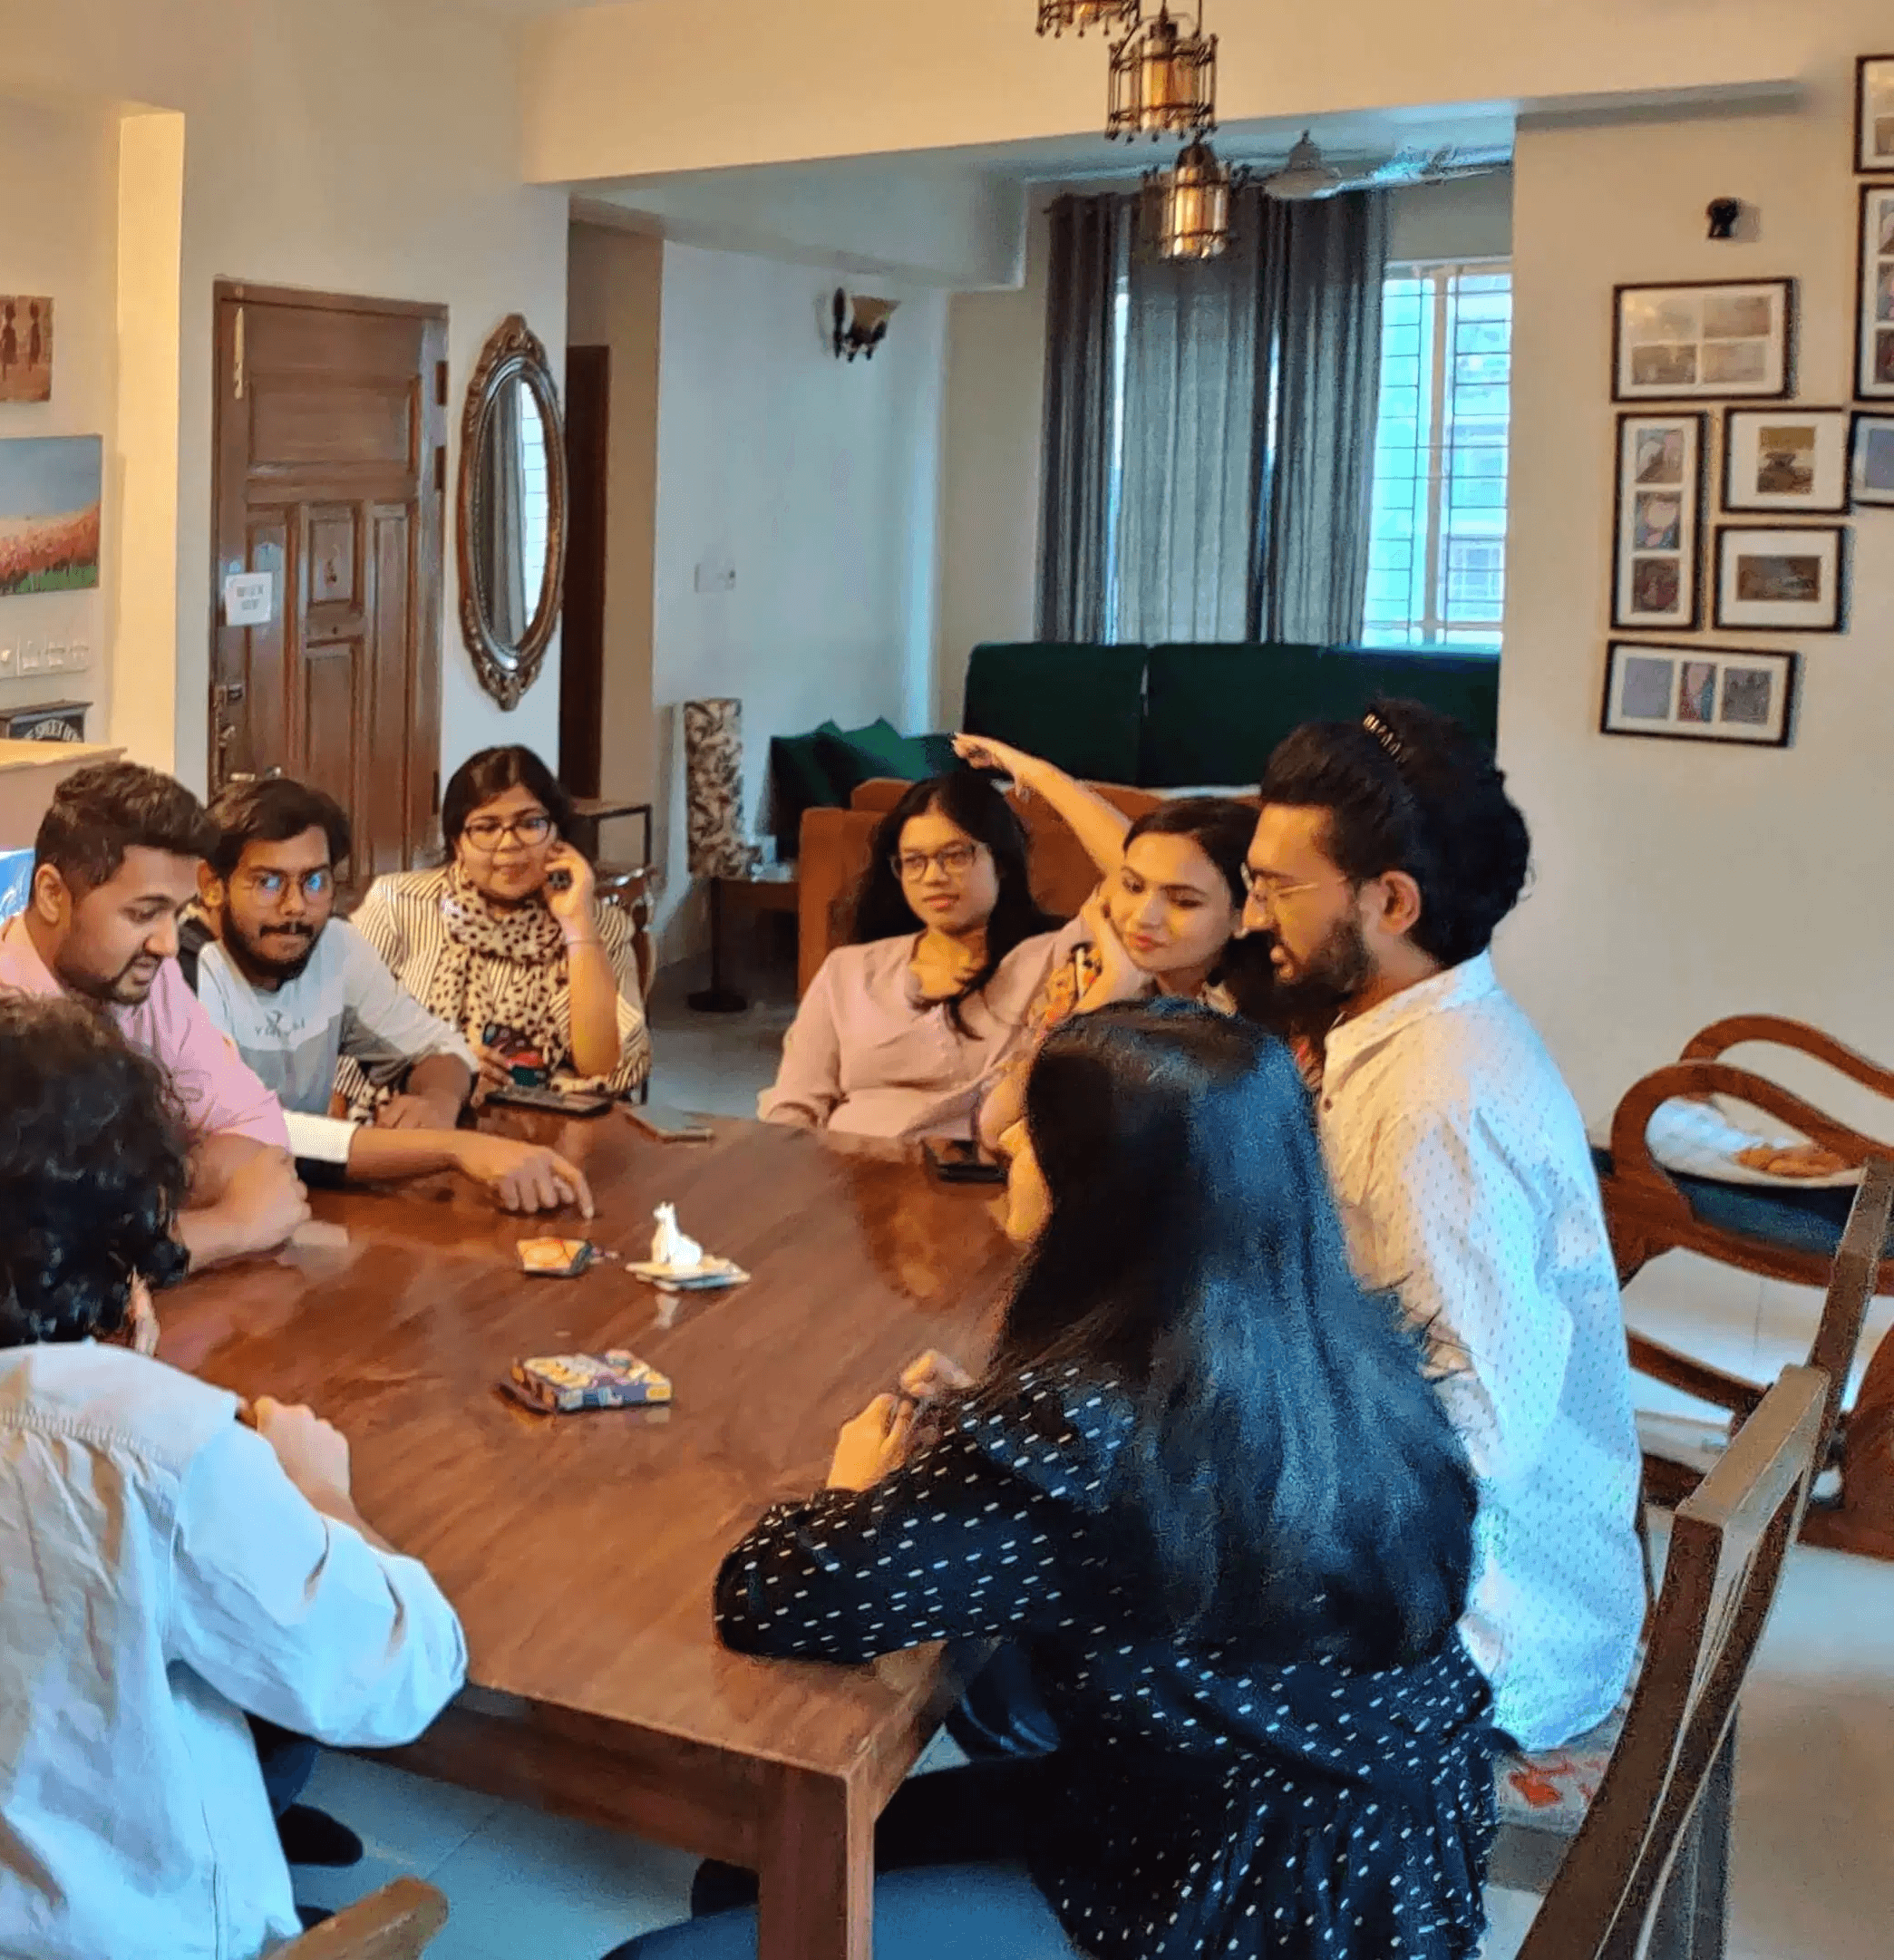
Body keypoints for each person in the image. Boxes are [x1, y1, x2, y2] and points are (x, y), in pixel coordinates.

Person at [609, 1004, 1494, 1960]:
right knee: (759, 1865)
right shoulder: (1341, 1351)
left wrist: (856, 1491)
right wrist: (989, 1441)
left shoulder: (1082, 1434)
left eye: (1039, 1128)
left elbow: (780, 1596)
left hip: (1231, 1898)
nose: (1009, 1143)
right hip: (1382, 1855)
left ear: (1106, 1187)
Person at [0, 993, 470, 1960]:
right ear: (121, 1237)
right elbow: (398, 1677)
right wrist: (325, 1492)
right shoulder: (159, 1445)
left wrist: (104, 1373)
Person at [1247, 700, 1643, 1752]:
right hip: (1475, 1575)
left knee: (1089, 1617)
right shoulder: (1423, 1032)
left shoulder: (1436, 1106)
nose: (1252, 917)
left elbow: (1473, 1434)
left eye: (1277, 887)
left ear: (1391, 900)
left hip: (1490, 1635)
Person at [0, 760, 309, 1272]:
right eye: (143, 913)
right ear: (53, 894)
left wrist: (128, 1210)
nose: (167, 944)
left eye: (177, 914)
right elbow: (23, 1266)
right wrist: (229, 1227)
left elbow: (260, 1135)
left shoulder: (143, 978)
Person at [190, 775, 593, 1215]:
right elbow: (247, 1130)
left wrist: (437, 1102)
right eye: (268, 883)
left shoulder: (334, 947)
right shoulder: (181, 969)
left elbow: (441, 1047)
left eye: (315, 882)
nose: (295, 907)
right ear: (212, 885)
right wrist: (449, 1148)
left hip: (289, 1208)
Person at [947, 733, 1284, 1150]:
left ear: (1244, 915)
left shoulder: (1265, 1013)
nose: (1144, 917)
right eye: (1132, 886)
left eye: (1183, 901)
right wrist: (1109, 991)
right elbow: (996, 1126)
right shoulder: (1091, 973)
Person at [760, 770, 1075, 1140]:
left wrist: (1032, 769)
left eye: (956, 855)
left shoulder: (1049, 961)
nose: (934, 877)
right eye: (914, 861)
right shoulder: (849, 971)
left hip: (978, 1179)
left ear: (1002, 861)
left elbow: (1134, 886)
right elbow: (795, 1102)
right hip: (850, 1176)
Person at [353, 745, 649, 1102]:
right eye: (486, 827)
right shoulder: (397, 905)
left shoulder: (598, 923)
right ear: (457, 843)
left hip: (548, 1132)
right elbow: (340, 1044)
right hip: (419, 1123)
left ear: (557, 834)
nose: (509, 844)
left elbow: (601, 1069)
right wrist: (443, 1071)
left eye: (530, 823)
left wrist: (578, 926)